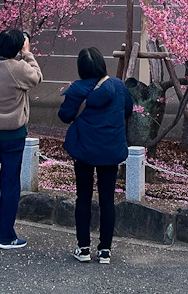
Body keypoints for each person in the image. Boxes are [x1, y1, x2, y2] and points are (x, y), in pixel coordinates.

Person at [58, 47, 133, 265]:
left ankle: (83, 248)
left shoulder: (77, 89)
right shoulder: (118, 86)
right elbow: (127, 110)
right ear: (102, 65)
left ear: (81, 68)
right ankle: (105, 251)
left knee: (83, 197)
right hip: (110, 150)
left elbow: (64, 116)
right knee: (107, 200)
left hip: (84, 150)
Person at [0, 28, 42, 250]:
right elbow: (37, 76)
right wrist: (28, 52)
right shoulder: (18, 68)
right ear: (18, 48)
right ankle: (6, 235)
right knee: (10, 184)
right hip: (12, 135)